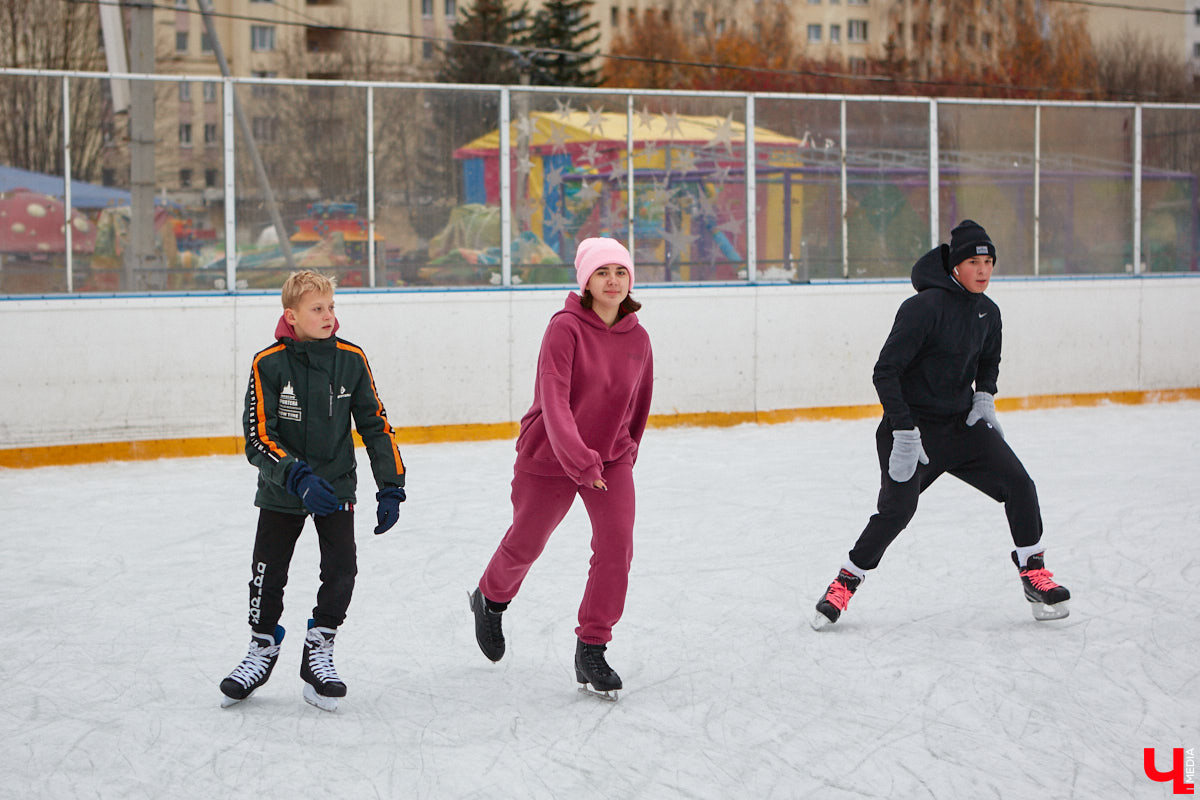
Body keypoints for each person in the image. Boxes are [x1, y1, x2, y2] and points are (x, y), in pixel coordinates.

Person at [811, 220, 1070, 629]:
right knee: (896, 512)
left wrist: (984, 398)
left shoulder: (989, 311)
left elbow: (988, 361)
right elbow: (886, 371)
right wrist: (903, 430)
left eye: (988, 261)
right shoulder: (923, 308)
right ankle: (843, 584)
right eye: (973, 261)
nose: (983, 270)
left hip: (963, 425)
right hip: (914, 432)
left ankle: (1033, 572)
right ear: (954, 265)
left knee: (1020, 485)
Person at [470, 237, 653, 700]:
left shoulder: (639, 339)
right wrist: (579, 459)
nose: (612, 281)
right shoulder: (565, 329)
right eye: (602, 272)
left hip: (609, 459)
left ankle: (592, 645)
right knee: (526, 543)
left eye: (620, 272)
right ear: (586, 281)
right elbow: (554, 402)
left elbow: (638, 406)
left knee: (617, 548)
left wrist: (623, 454)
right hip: (550, 456)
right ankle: (490, 600)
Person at [219, 270, 407, 711]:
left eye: (331, 307)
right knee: (267, 571)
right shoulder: (267, 363)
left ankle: (319, 647)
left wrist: (391, 487)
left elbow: (376, 425)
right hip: (284, 488)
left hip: (337, 483)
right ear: (292, 315)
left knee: (342, 570)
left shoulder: (351, 359)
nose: (328, 316)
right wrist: (297, 477)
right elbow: (257, 438)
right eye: (317, 309)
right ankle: (261, 648)